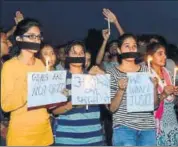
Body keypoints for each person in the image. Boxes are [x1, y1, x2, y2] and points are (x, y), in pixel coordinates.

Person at [1, 18, 53, 146]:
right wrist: (29, 86)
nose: (36, 40)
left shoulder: (42, 64)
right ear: (19, 39)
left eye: (38, 37)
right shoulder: (9, 66)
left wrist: (58, 92)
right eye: (31, 36)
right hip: (21, 136)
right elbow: (6, 105)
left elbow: (47, 100)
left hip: (44, 133)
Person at [107, 33, 159, 146]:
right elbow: (111, 108)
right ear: (119, 51)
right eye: (127, 46)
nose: (131, 48)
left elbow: (155, 106)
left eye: (134, 46)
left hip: (148, 129)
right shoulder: (111, 73)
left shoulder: (147, 71)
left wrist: (154, 89)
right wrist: (120, 90)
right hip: (124, 129)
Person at [52, 41, 104, 146]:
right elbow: (55, 111)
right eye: (74, 53)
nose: (78, 55)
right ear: (67, 56)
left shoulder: (94, 76)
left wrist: (103, 79)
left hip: (94, 138)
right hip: (67, 139)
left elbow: (109, 104)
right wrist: (75, 102)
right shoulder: (60, 79)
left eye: (81, 53)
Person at [146, 42, 178, 146]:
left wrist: (176, 94)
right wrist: (164, 94)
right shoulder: (146, 76)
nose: (164, 56)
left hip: (171, 120)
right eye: (160, 53)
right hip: (156, 121)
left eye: (165, 53)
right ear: (150, 57)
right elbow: (148, 104)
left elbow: (174, 102)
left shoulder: (169, 73)